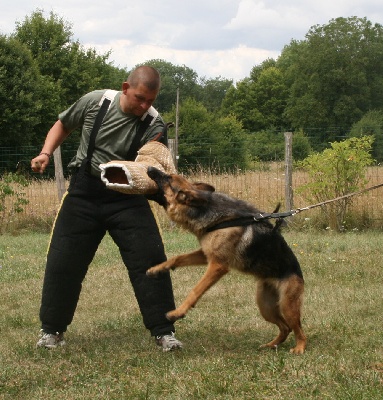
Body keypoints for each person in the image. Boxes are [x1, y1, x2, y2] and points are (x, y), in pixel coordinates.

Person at [31, 65, 183, 352]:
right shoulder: (96, 102)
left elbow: (154, 154)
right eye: (139, 98)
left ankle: (165, 333)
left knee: (150, 259)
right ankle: (51, 332)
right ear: (126, 88)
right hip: (84, 192)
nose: (144, 106)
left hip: (127, 197)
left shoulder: (153, 122)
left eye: (150, 101)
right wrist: (45, 153)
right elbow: (63, 124)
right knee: (63, 262)